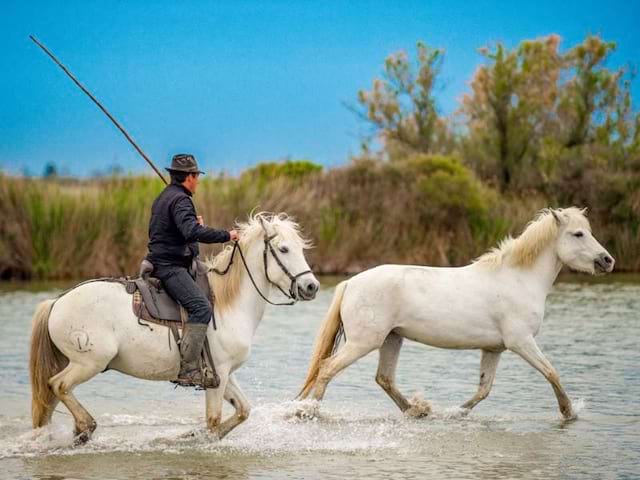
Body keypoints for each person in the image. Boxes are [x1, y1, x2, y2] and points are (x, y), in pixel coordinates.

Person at [146, 153, 239, 388]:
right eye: (197, 176)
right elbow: (190, 233)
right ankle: (188, 370)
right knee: (201, 307)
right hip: (170, 267)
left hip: (168, 260)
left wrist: (193, 225)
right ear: (189, 177)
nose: (198, 180)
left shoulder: (166, 197)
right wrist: (226, 235)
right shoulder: (180, 200)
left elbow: (180, 232)